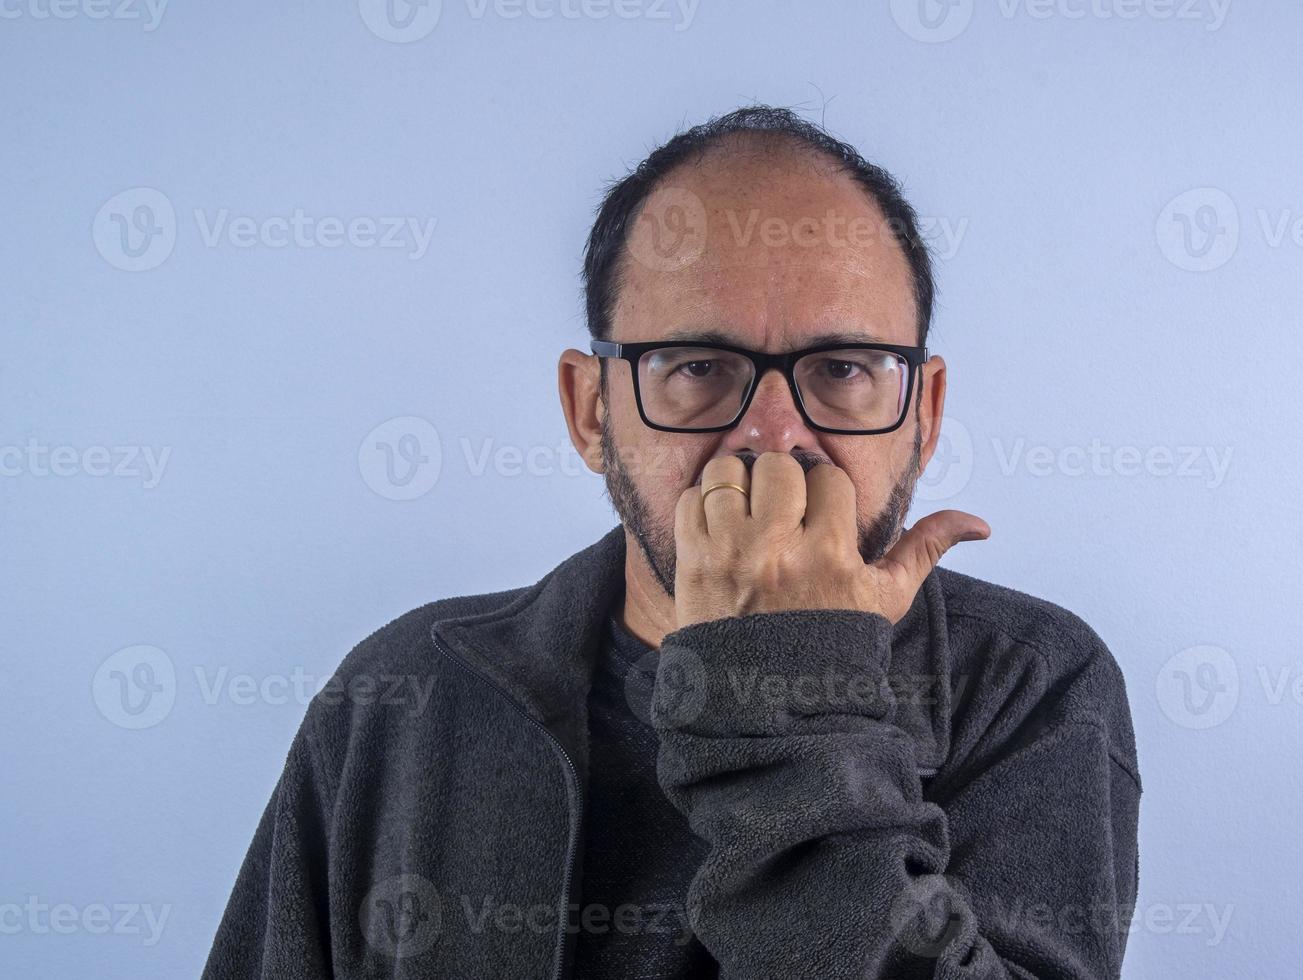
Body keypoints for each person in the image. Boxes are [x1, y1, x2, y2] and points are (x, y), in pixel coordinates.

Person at [202, 105, 1142, 980]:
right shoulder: (401, 691)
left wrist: (780, 689)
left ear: (923, 413)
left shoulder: (1033, 686)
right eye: (697, 367)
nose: (773, 434)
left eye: (845, 368)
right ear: (589, 410)